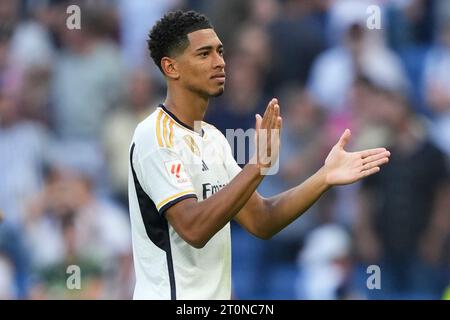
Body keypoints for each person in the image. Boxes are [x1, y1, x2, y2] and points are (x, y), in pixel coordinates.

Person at [128, 10, 390, 300]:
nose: (219, 62)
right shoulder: (154, 135)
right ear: (171, 68)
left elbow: (261, 220)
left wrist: (323, 177)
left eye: (220, 51)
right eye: (204, 54)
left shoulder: (213, 138)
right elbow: (194, 228)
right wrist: (257, 167)